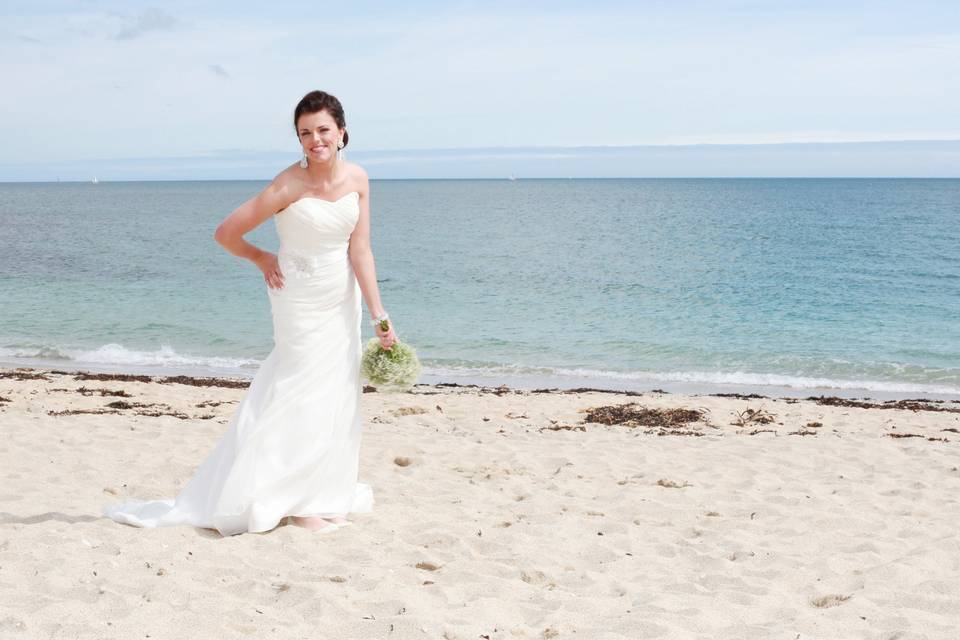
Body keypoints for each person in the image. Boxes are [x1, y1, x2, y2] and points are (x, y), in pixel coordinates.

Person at [102, 90, 394, 536]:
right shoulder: (287, 185)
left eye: (322, 130)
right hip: (297, 297)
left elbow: (361, 249)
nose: (315, 140)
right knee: (297, 387)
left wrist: (379, 315)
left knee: (336, 391)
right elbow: (226, 232)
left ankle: (319, 491)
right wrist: (261, 259)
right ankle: (292, 500)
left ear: (342, 132)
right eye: (305, 133)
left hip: (341, 298)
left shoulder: (359, 179)